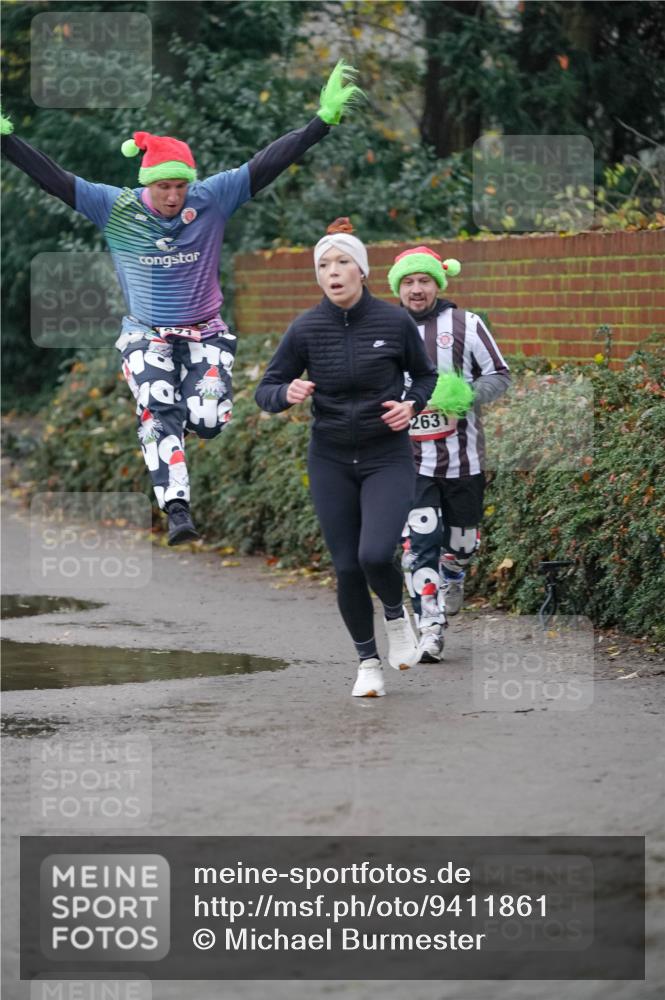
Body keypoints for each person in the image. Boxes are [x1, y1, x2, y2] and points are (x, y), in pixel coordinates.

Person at [0, 62, 363, 544]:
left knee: (208, 421)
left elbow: (269, 162)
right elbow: (52, 177)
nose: (173, 196)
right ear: (147, 183)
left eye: (180, 185)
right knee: (157, 406)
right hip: (146, 333)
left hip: (204, 331)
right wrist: (5, 141)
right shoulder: (115, 206)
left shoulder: (212, 199)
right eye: (164, 186)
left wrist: (321, 123)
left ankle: (186, 423)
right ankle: (176, 508)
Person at [255, 222, 437, 698]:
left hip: (386, 455)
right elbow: (265, 390)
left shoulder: (394, 323)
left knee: (375, 554)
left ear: (362, 270)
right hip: (331, 457)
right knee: (348, 566)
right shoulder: (305, 328)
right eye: (323, 266)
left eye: (341, 263)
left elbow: (424, 376)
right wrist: (286, 392)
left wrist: (412, 404)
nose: (332, 273)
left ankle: (397, 617)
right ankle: (367, 663)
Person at [387, 246, 511, 662]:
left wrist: (466, 398)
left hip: (464, 461)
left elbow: (500, 374)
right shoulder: (383, 328)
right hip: (407, 463)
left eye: (424, 281)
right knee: (419, 545)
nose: (416, 289)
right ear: (397, 288)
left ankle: (455, 570)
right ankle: (430, 628)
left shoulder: (465, 324)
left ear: (437, 284)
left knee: (463, 542)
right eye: (408, 282)